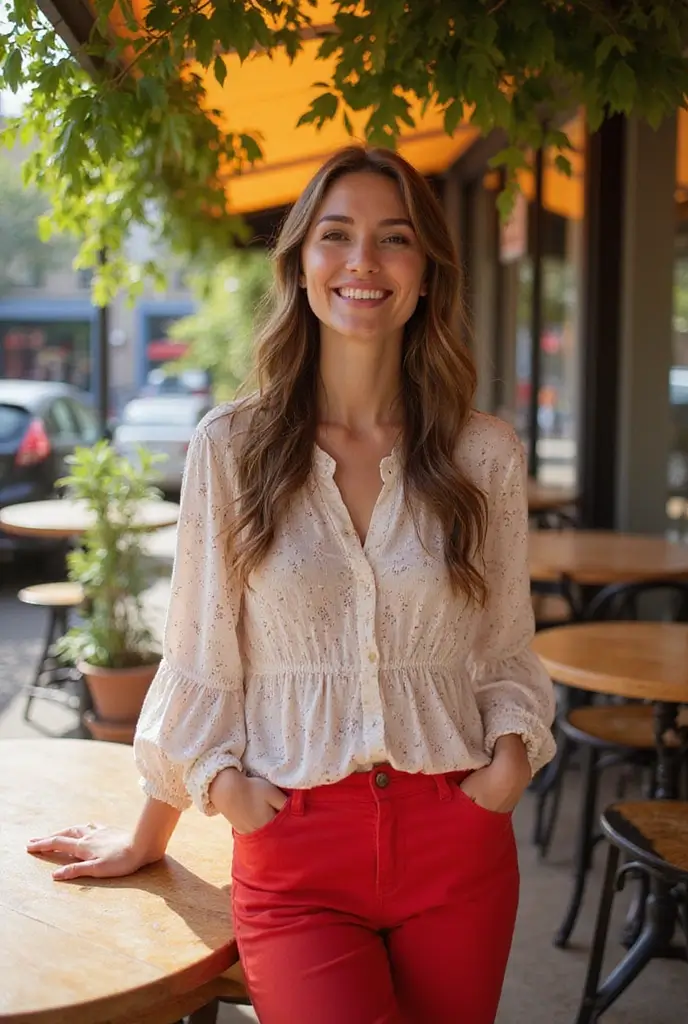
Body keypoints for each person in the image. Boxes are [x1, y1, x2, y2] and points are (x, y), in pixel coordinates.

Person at [27, 145, 556, 1024]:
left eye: (394, 240)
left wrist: (505, 767)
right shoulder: (231, 449)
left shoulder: (482, 454)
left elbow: (502, 648)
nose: (363, 261)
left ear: (425, 275)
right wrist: (166, 824)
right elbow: (201, 659)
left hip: (457, 837)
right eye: (336, 235)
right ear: (301, 264)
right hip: (294, 849)